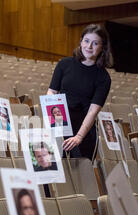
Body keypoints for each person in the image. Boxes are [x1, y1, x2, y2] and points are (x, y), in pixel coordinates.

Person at [48, 24, 112, 159]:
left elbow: (93, 111)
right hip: (60, 124)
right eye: (86, 41)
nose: (89, 47)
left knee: (80, 176)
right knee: (54, 174)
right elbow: (52, 92)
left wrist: (79, 136)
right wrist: (57, 124)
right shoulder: (64, 64)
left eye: (95, 43)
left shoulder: (103, 77)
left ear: (102, 47)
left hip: (84, 132)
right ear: (81, 42)